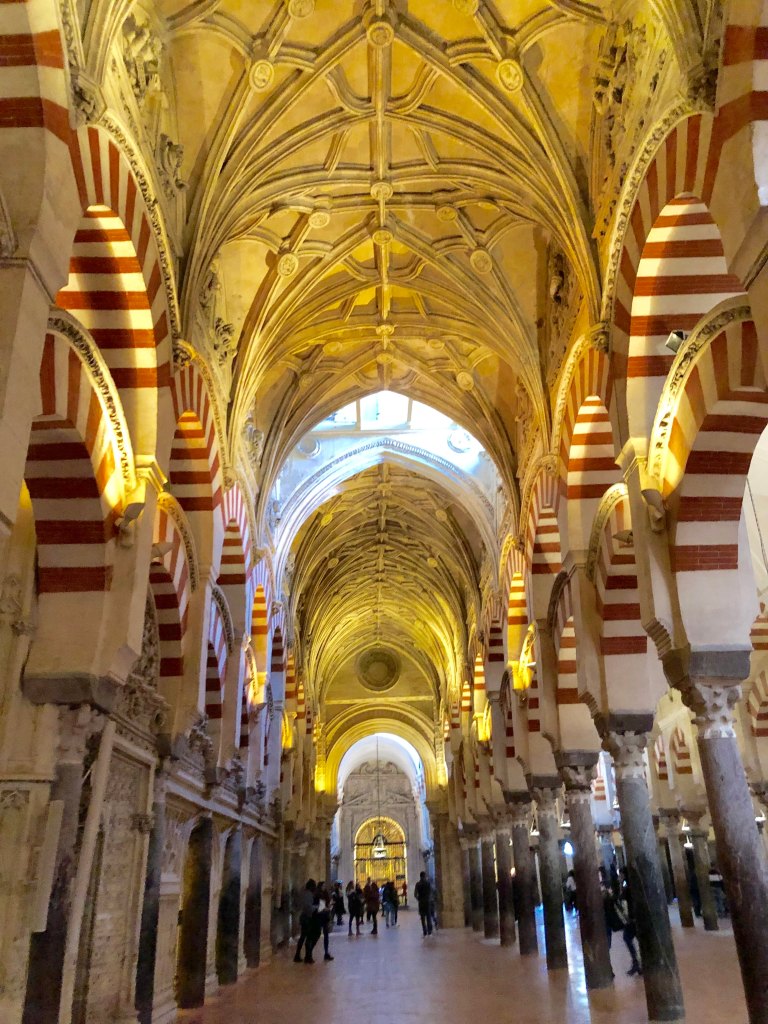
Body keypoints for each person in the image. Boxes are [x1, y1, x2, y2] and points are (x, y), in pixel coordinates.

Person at [620, 868, 642, 976]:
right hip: (638, 917)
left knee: (627, 938)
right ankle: (639, 963)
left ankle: (636, 962)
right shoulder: (635, 886)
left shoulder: (626, 888)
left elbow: (624, 903)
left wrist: (627, 917)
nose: (619, 877)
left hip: (631, 919)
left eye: (621, 875)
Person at [294, 879, 319, 964]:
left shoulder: (303, 893)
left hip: (303, 917)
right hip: (307, 917)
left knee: (302, 937)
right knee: (309, 937)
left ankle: (297, 955)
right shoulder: (308, 895)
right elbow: (309, 908)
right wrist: (316, 907)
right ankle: (308, 957)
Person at [315, 881, 334, 961]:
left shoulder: (325, 894)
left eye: (325, 886)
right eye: (323, 886)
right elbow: (319, 907)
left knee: (326, 935)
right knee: (317, 934)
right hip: (320, 916)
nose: (324, 887)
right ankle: (309, 951)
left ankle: (326, 953)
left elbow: (326, 905)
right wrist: (326, 908)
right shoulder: (318, 895)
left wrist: (329, 905)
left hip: (325, 916)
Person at [415, 870, 433, 936]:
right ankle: (429, 931)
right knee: (428, 917)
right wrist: (429, 898)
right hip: (427, 902)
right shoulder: (428, 883)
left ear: (420, 876)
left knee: (422, 917)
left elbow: (415, 894)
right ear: (424, 876)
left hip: (421, 902)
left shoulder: (418, 884)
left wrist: (419, 899)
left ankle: (424, 931)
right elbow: (430, 892)